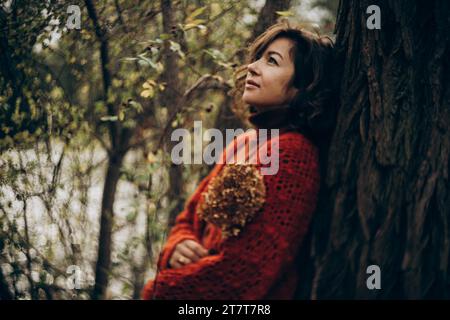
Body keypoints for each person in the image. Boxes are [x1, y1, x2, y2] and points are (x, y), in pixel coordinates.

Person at [141, 21, 337, 300]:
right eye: (258, 57)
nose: (253, 67)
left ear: (301, 88)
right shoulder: (243, 143)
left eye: (272, 61)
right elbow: (188, 218)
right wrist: (177, 246)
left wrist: (158, 291)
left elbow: (242, 276)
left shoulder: (294, 156)